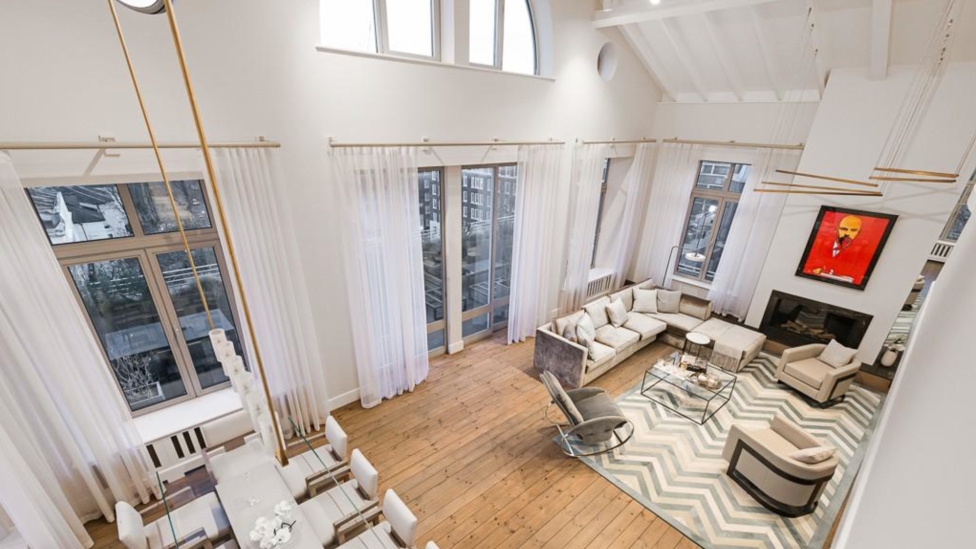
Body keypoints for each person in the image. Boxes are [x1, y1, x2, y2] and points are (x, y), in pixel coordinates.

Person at [803, 215, 864, 283]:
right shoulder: (818, 245)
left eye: (853, 230)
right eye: (843, 229)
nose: (847, 233)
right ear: (837, 229)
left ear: (858, 233)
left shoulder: (860, 255)